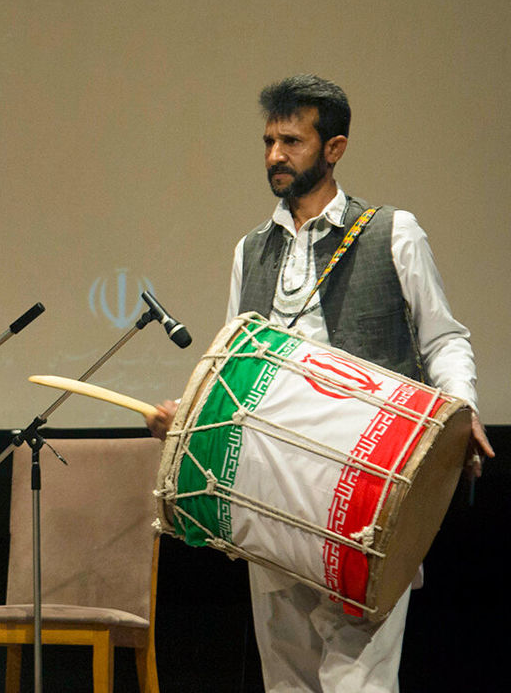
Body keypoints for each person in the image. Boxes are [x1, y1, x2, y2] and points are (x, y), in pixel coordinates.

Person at [147, 75, 494, 692]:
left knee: (358, 683)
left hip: (365, 492)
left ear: (334, 148)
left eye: (291, 141)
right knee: (287, 680)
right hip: (268, 488)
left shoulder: (394, 231)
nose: (275, 156)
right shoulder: (249, 250)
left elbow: (443, 338)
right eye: (268, 141)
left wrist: (461, 410)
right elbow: (233, 366)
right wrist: (190, 417)